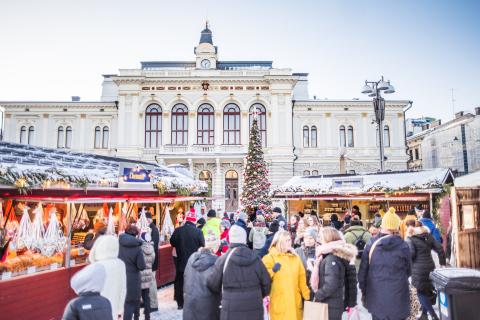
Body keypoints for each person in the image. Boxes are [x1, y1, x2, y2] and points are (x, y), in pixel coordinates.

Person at [207, 224, 271, 320]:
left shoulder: (223, 259)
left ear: (230, 239)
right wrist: (256, 295)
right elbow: (267, 283)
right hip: (254, 310)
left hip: (230, 310)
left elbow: (212, 284)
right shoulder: (255, 258)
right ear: (244, 239)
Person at [358, 207, 411, 320]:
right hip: (399, 295)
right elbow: (409, 270)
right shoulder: (403, 245)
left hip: (375, 294)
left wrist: (364, 290)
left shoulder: (371, 244)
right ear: (396, 227)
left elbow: (363, 272)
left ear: (382, 226)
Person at [310, 227, 358, 320]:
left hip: (331, 303)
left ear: (327, 239)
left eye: (321, 237)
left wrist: (318, 295)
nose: (319, 240)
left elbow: (331, 284)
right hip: (335, 302)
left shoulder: (331, 258)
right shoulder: (335, 254)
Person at [262, 230, 310, 320]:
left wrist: (307, 295)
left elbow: (301, 278)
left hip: (295, 301)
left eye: (289, 240)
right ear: (279, 242)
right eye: (286, 240)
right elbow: (263, 278)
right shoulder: (269, 258)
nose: (289, 243)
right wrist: (272, 271)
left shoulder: (295, 258)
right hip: (279, 302)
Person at [406, 221, 446, 320]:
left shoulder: (410, 238)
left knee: (420, 292)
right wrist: (442, 263)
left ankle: (434, 316)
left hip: (418, 270)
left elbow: (412, 254)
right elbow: (440, 248)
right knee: (426, 291)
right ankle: (424, 315)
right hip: (430, 267)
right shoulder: (428, 236)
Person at [170, 208, 205, 309]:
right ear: (194, 220)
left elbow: (172, 242)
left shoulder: (178, 230)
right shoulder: (198, 232)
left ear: (186, 220)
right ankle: (192, 302)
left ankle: (180, 303)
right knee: (193, 282)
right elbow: (202, 244)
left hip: (180, 261)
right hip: (194, 262)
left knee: (180, 281)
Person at [183, 230, 221, 320]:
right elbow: (216, 287)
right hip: (208, 308)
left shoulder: (192, 257)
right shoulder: (217, 263)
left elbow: (185, 277)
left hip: (190, 304)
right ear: (215, 247)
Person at [88, 235, 126, 320]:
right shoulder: (119, 264)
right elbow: (122, 289)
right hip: (113, 306)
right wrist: (120, 309)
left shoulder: (96, 265)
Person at [118, 224, 146, 320]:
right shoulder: (137, 248)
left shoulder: (118, 243)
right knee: (133, 303)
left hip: (120, 277)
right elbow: (142, 266)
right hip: (133, 279)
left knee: (126, 303)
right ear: (136, 235)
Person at [294, 227, 317, 291]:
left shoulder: (318, 251)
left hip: (313, 285)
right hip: (300, 284)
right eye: (306, 238)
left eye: (311, 238)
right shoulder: (297, 251)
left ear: (315, 239)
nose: (308, 240)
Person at [145, 211, 160, 312]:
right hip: (148, 261)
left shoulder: (153, 230)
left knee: (151, 282)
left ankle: (154, 304)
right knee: (147, 282)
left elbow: (152, 246)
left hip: (152, 260)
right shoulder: (149, 229)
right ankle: (146, 301)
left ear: (148, 219)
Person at [139, 231, 155, 320]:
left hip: (141, 274)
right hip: (148, 274)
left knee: (138, 295)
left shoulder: (140, 249)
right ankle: (147, 316)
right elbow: (152, 261)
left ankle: (136, 316)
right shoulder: (151, 248)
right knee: (146, 296)